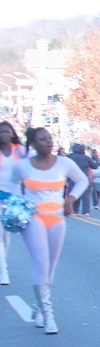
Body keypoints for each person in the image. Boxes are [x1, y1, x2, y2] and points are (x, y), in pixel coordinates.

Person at [10, 127, 89, 334]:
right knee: (41, 263)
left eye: (50, 138)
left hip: (56, 219)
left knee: (50, 268)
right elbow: (12, 186)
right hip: (33, 218)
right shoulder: (23, 166)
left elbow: (82, 180)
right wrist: (18, 206)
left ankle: (37, 305)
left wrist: (70, 198)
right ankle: (48, 314)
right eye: (42, 139)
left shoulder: (64, 163)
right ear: (33, 144)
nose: (48, 142)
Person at [0, 121, 28, 285]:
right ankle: (3, 273)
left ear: (12, 133)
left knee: (6, 235)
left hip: (14, 198)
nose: (4, 134)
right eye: (1, 132)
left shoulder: (20, 150)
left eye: (6, 131)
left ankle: (2, 264)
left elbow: (33, 162)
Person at [67, 144, 98, 216]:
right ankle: (86, 212)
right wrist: (96, 159)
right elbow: (95, 166)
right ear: (84, 150)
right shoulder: (86, 158)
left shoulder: (72, 157)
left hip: (74, 178)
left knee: (76, 194)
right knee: (86, 195)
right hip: (85, 178)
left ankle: (75, 210)